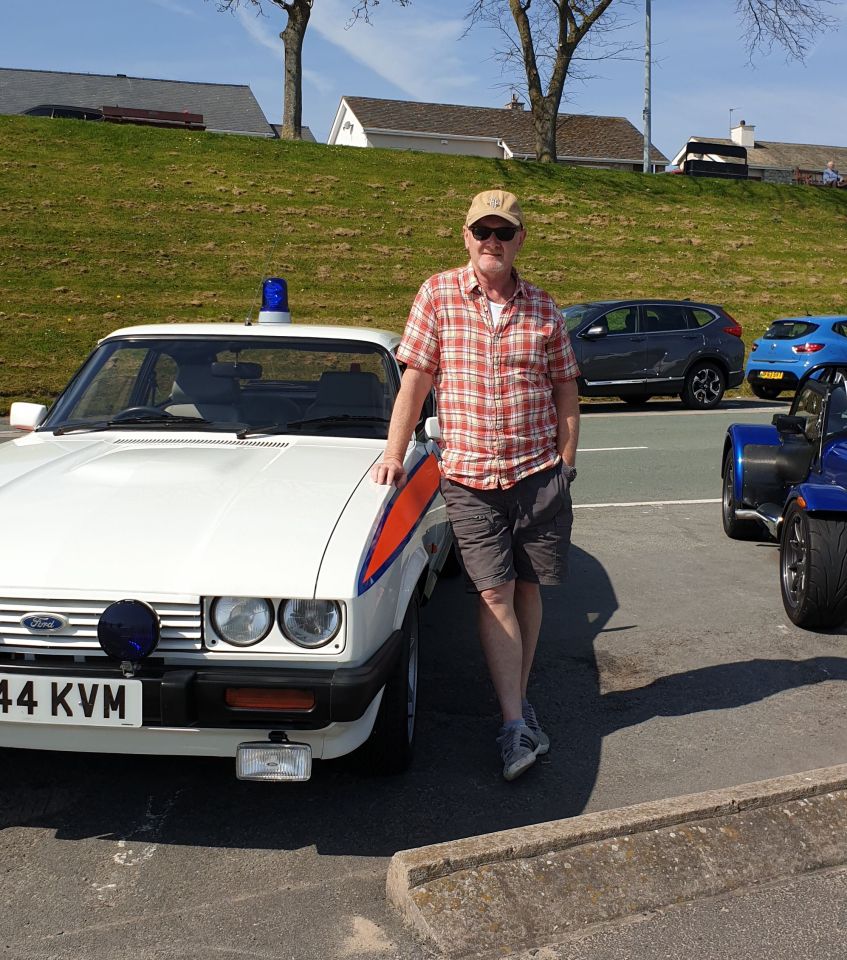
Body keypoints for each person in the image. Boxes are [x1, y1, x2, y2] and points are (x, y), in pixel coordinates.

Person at [370, 189, 580, 781]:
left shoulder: (543, 307)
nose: (493, 241)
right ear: (466, 237)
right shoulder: (437, 295)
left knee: (529, 589)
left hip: (538, 473)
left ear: (520, 240)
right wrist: (394, 454)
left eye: (504, 232)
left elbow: (565, 386)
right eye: (482, 231)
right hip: (468, 475)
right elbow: (415, 382)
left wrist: (566, 459)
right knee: (494, 592)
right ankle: (514, 723)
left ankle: (518, 695)